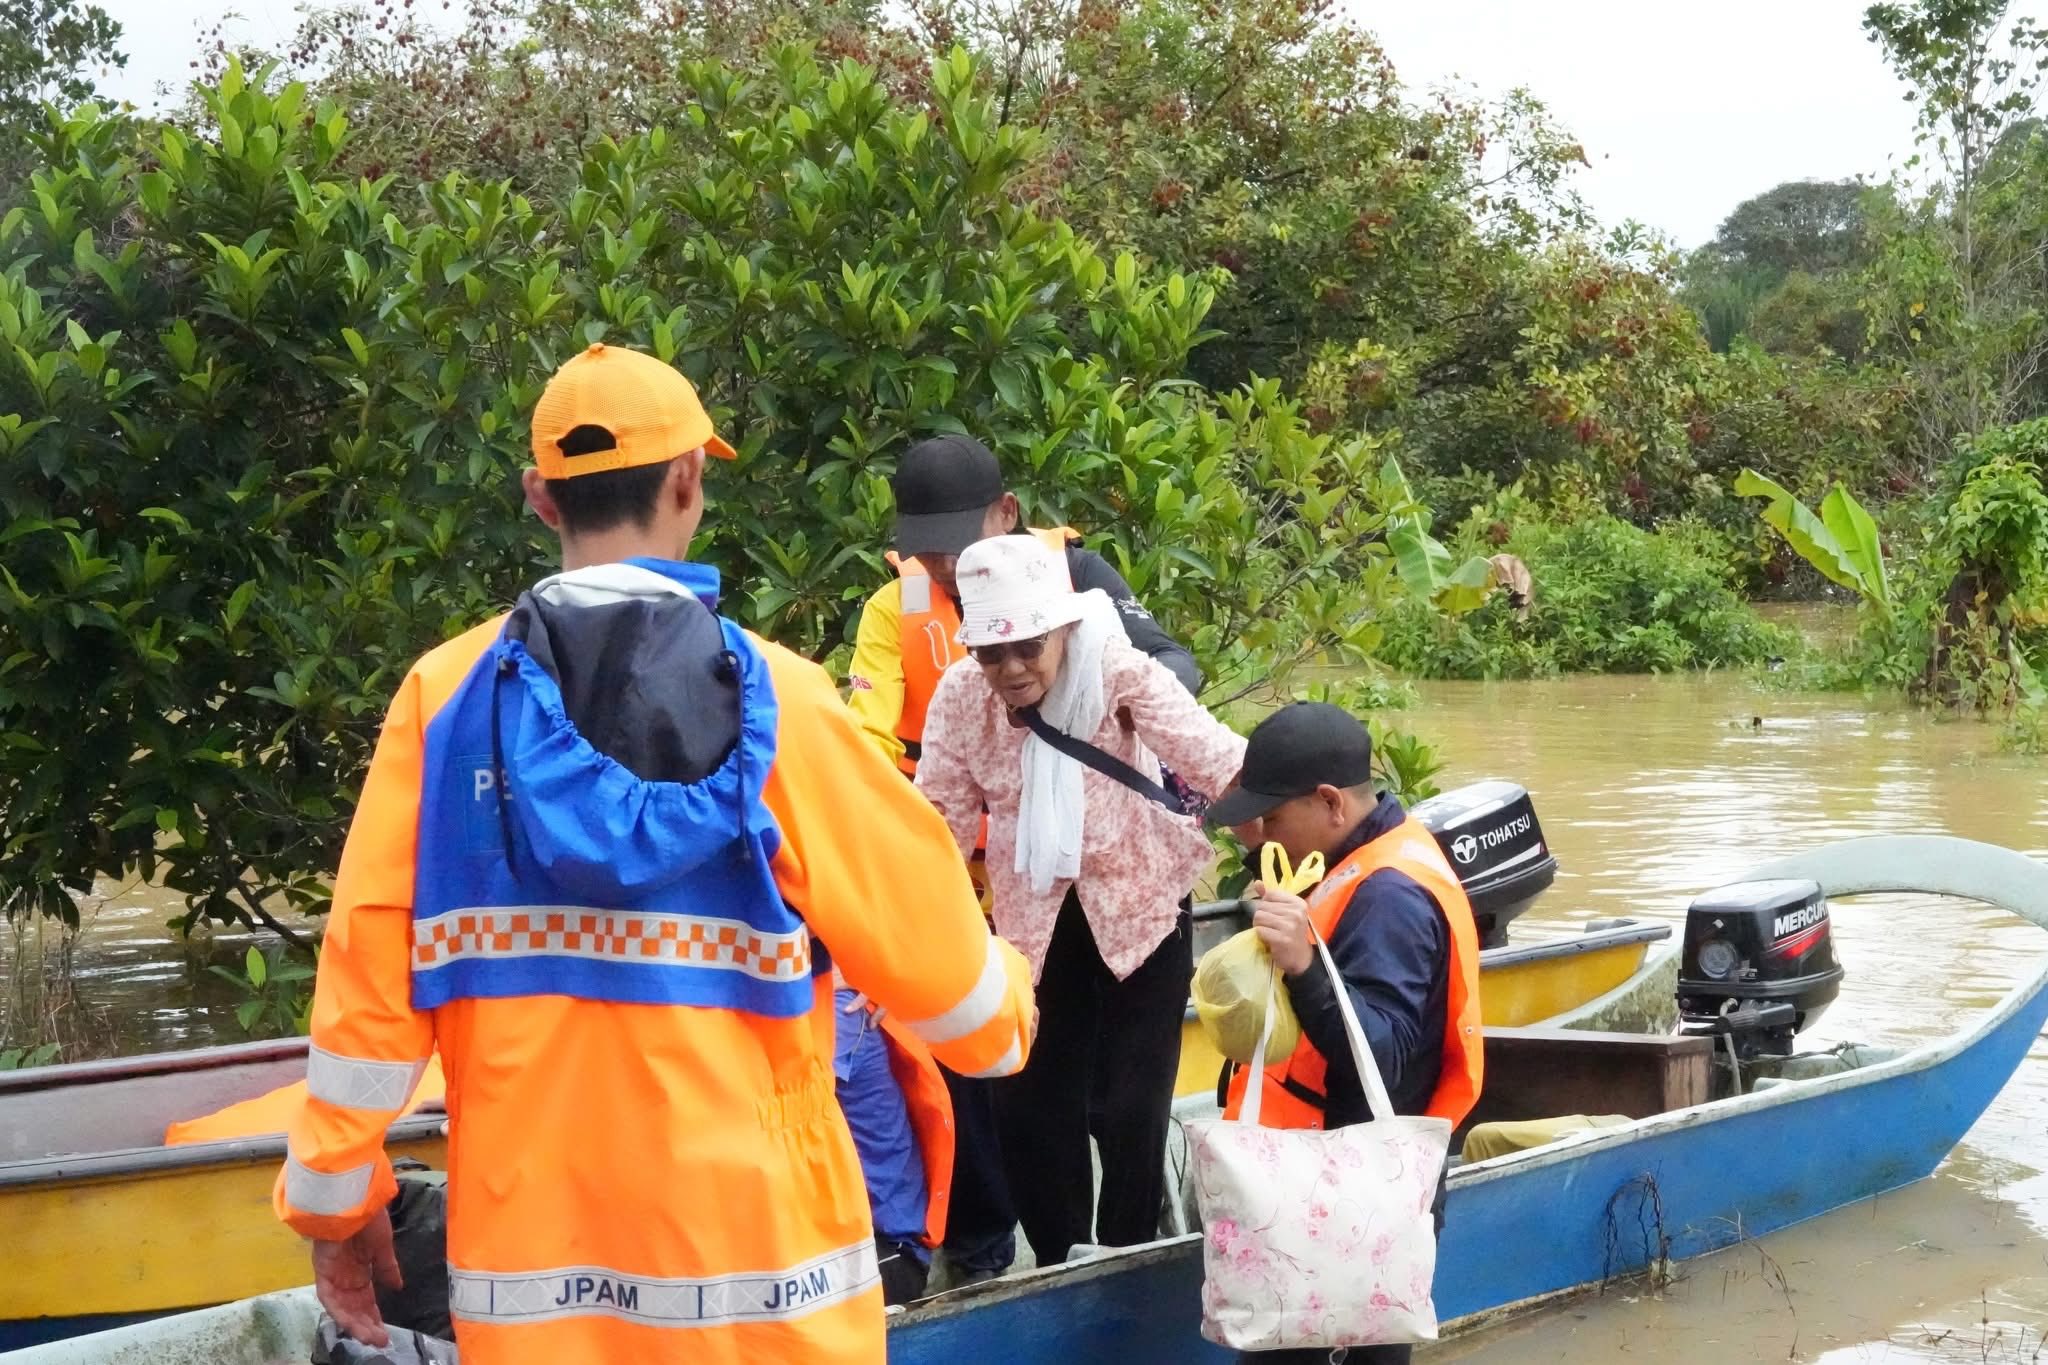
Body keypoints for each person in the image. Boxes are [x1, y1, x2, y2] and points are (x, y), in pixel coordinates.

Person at [273, 343, 1036, 1365]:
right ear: (690, 480)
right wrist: (1015, 987)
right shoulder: (785, 703)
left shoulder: (440, 703)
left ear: (541, 500)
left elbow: (366, 989)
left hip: (537, 1286)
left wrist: (335, 1199)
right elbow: (968, 1018)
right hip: (769, 1281)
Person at [844, 432, 1201, 1284]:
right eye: (927, 553)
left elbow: (1175, 672)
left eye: (956, 544)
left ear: (1007, 516)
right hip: (986, 889)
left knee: (1123, 1101)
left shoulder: (1081, 582)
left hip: (1123, 882)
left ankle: (1123, 1256)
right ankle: (1019, 1260)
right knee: (1012, 1098)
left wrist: (1108, 700)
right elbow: (867, 733)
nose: (942, 564)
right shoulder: (896, 607)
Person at [916, 535, 1246, 1269]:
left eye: (1028, 647)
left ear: (1062, 627)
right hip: (1033, 922)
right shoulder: (962, 699)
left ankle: (1128, 1254)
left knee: (1130, 1111)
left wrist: (1298, 832)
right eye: (991, 653)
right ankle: (1064, 1259)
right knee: (1027, 1113)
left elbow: (1216, 757)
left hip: (1142, 907)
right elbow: (934, 821)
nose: (1011, 669)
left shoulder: (1118, 669)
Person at [1205, 702, 1485, 1365]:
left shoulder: (1391, 895)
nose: (1258, 834)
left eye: (1273, 816)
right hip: (1329, 1199)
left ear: (1330, 802)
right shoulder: (1357, 859)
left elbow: (1382, 1054)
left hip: (1352, 1212)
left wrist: (1303, 965)